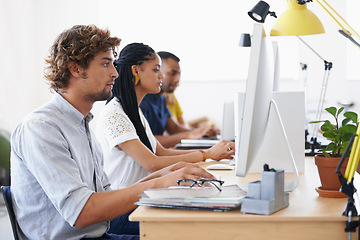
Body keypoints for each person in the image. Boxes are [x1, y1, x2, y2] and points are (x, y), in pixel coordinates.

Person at [10, 25, 215, 240]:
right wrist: (159, 182)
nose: (115, 73)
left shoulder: (81, 125)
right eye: (106, 64)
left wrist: (163, 175)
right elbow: (81, 212)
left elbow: (105, 196)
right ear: (76, 69)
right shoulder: (41, 127)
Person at [96, 42, 235, 191]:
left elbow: (162, 152)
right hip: (124, 204)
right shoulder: (115, 114)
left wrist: (210, 152)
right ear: (136, 71)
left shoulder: (134, 111)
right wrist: (207, 154)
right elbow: (152, 163)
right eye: (156, 70)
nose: (161, 75)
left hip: (143, 196)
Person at [139, 51, 218, 148]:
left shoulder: (160, 98)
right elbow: (145, 140)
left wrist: (202, 132)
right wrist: (188, 135)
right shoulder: (142, 100)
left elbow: (174, 128)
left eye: (179, 74)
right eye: (172, 73)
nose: (177, 79)